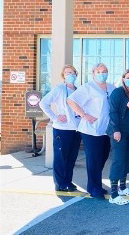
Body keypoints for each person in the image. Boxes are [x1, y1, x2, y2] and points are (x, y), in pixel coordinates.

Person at [67, 63, 115, 199]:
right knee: (94, 159)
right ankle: (94, 188)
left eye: (105, 71)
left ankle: (96, 184)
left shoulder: (111, 87)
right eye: (99, 71)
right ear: (93, 73)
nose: (102, 73)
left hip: (106, 129)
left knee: (103, 157)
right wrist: (84, 114)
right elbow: (71, 100)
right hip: (91, 130)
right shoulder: (88, 87)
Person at [39, 64, 82, 192]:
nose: (71, 75)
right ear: (63, 76)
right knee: (61, 158)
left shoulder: (78, 90)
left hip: (76, 129)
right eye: (68, 73)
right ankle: (60, 184)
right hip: (62, 130)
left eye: (73, 72)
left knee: (71, 157)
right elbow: (43, 103)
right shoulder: (59, 89)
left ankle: (68, 181)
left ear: (76, 74)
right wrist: (55, 117)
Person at [106, 69, 129, 205]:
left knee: (126, 159)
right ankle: (114, 194)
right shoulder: (118, 93)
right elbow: (113, 112)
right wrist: (116, 130)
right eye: (128, 77)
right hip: (119, 133)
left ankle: (122, 187)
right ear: (123, 79)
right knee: (118, 160)